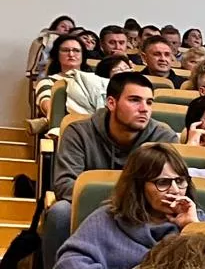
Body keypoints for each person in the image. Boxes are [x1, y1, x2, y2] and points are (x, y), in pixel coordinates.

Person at [55, 143, 205, 269]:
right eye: (162, 182)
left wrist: (191, 228)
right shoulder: (108, 219)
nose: (176, 190)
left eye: (180, 181)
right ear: (138, 186)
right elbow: (70, 261)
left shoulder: (200, 222)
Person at [52, 71, 179, 203]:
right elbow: (64, 185)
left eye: (149, 102)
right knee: (61, 211)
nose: (144, 109)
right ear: (111, 103)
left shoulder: (164, 138)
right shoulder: (79, 133)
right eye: (135, 100)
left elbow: (171, 189)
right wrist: (116, 206)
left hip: (144, 214)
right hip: (91, 208)